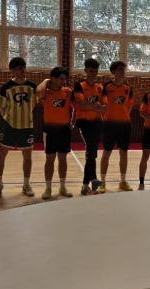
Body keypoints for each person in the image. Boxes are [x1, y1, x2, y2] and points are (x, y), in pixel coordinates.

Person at [0, 57, 37, 199]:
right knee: (1, 155)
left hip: (27, 127)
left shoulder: (32, 86)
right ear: (12, 70)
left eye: (24, 67)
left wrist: (26, 115)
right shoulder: (6, 87)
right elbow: (1, 106)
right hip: (10, 126)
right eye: (19, 68)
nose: (22, 70)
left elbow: (33, 103)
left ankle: (26, 184)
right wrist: (7, 118)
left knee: (28, 156)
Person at [36, 67, 74, 200]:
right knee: (50, 159)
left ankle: (62, 187)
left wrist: (73, 120)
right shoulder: (46, 92)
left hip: (64, 130)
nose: (63, 81)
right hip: (50, 131)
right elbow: (38, 92)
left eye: (65, 79)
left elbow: (76, 107)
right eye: (60, 79)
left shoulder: (68, 92)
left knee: (63, 159)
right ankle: (48, 188)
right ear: (52, 78)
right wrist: (46, 81)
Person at [98, 61, 134, 193]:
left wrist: (123, 116)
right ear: (113, 72)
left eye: (124, 70)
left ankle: (123, 181)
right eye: (120, 70)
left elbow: (129, 106)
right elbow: (102, 105)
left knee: (123, 153)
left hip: (124, 125)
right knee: (106, 152)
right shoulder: (106, 87)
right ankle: (102, 182)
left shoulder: (128, 88)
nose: (123, 72)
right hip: (110, 125)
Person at [73, 58, 106, 195]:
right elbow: (81, 104)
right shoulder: (79, 85)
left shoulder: (100, 87)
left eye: (96, 71)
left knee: (92, 154)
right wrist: (96, 105)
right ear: (85, 70)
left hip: (97, 122)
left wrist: (91, 106)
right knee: (91, 153)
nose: (94, 73)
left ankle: (90, 182)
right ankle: (88, 183)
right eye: (91, 71)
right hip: (84, 122)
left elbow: (105, 107)